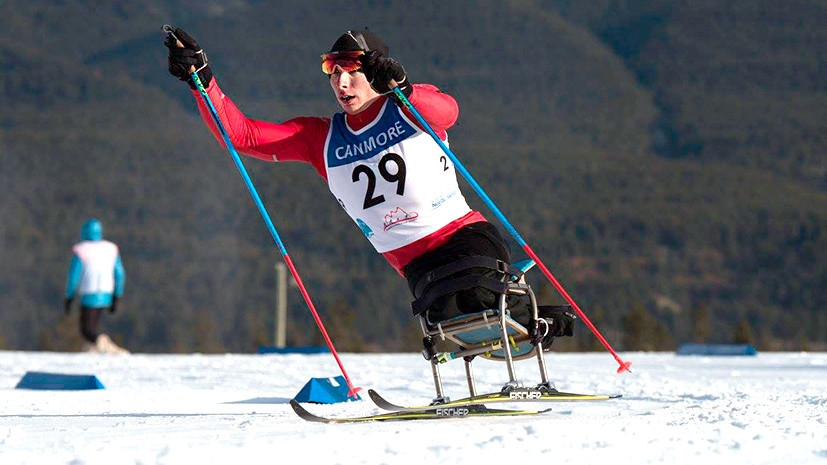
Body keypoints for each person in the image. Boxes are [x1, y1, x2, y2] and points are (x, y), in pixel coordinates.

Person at [163, 27, 575, 348]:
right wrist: (201, 79)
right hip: (413, 265)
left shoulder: (408, 107)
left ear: (374, 70)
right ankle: (516, 314)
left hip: (462, 238)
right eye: (333, 72)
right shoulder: (320, 138)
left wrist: (404, 88)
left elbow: (448, 111)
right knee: (454, 319)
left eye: (351, 71)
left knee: (477, 301)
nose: (342, 82)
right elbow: (244, 136)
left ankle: (543, 317)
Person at [64, 218, 129, 354]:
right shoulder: (111, 248)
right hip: (107, 292)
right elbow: (119, 273)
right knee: (92, 325)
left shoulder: (81, 250)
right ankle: (92, 349)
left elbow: (73, 276)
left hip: (89, 292)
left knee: (86, 330)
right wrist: (117, 295)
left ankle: (104, 345)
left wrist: (69, 296)